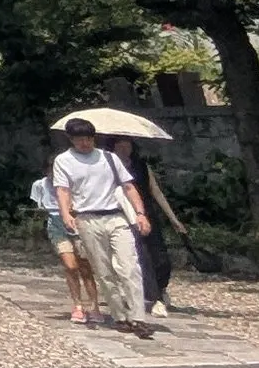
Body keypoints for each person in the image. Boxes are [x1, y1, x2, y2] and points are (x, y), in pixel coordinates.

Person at [47, 119, 154, 334]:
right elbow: (63, 190)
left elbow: (128, 186)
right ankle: (119, 315)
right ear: (71, 140)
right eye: (79, 140)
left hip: (116, 216)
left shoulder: (109, 158)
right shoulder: (64, 160)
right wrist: (66, 213)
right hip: (87, 218)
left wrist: (140, 214)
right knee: (104, 270)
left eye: (88, 138)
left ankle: (137, 317)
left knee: (129, 266)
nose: (84, 143)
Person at [110, 133, 184, 315]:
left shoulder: (141, 166)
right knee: (139, 258)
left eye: (127, 145)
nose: (124, 149)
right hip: (123, 216)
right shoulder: (108, 167)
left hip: (147, 214)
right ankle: (153, 296)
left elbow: (156, 192)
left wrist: (173, 219)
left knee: (160, 257)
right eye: (120, 146)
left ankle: (161, 288)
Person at [30, 169, 103, 324]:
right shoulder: (40, 185)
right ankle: (77, 305)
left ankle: (94, 305)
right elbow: (39, 206)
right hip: (56, 224)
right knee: (70, 266)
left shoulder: (76, 183)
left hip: (78, 222)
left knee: (85, 267)